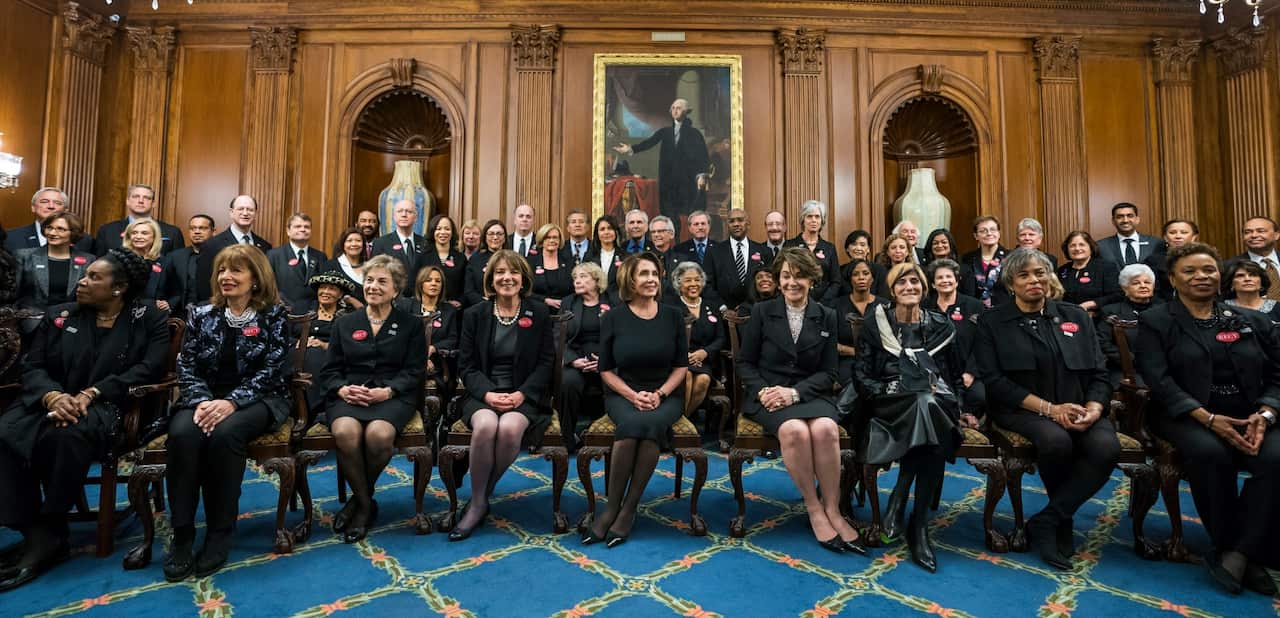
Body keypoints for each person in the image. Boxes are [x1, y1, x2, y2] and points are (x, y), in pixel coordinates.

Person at [0, 249, 167, 591]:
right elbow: (33, 366)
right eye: (84, 274)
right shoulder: (60, 315)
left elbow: (148, 368)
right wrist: (54, 396)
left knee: (65, 436)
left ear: (118, 288)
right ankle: (32, 528)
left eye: (94, 277)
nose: (82, 282)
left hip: (110, 405)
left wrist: (93, 394)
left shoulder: (147, 317)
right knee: (5, 433)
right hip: (49, 400)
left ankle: (51, 528)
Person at [1135, 242, 1280, 596]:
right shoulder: (1157, 320)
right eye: (1190, 271)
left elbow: (1278, 374)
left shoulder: (1253, 320)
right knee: (1212, 454)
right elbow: (1158, 379)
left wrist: (1266, 411)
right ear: (1172, 278)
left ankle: (1240, 551)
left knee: (1276, 458)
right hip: (1185, 413)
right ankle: (1235, 546)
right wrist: (1208, 417)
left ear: (1221, 275)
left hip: (1251, 413)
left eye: (1209, 270)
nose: (1201, 277)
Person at [973, 247, 1119, 571]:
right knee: (1056, 441)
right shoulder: (991, 321)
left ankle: (1050, 519)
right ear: (1011, 284)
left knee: (1107, 447)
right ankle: (1061, 526)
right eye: (1024, 275)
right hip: (1021, 409)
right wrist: (1051, 410)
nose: (1034, 280)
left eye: (1040, 273)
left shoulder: (1075, 316)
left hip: (1079, 406)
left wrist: (1094, 408)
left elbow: (1100, 372)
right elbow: (994, 381)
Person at [163, 244, 291, 581]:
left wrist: (232, 401)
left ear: (256, 278)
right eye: (222, 270)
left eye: (236, 270)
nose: (226, 277)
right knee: (182, 434)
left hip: (259, 399)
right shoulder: (202, 314)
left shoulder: (275, 315)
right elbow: (186, 364)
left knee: (225, 433)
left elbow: (273, 370)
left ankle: (220, 532)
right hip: (202, 399)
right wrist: (203, 400)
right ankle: (183, 533)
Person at [735, 247, 866, 554]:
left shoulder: (828, 316)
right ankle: (814, 508)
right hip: (767, 396)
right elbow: (745, 363)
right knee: (794, 431)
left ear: (812, 279)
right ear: (778, 281)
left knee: (825, 430)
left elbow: (830, 371)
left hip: (808, 393)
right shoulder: (762, 312)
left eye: (799, 276)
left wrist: (794, 393)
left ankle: (833, 508)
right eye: (786, 276)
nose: (792, 282)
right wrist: (764, 391)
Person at [854, 262, 973, 571]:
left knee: (928, 403)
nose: (909, 287)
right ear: (891, 291)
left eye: (915, 282)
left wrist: (960, 406)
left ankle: (902, 499)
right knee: (927, 406)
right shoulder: (875, 325)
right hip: (889, 401)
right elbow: (862, 375)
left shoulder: (941, 326)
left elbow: (956, 376)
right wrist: (884, 391)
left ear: (925, 288)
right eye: (902, 283)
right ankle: (918, 527)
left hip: (937, 400)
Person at [582, 252, 690, 547]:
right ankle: (611, 508)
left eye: (655, 274)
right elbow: (604, 369)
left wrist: (660, 394)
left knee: (650, 425)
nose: (651, 279)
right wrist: (631, 395)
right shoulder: (613, 316)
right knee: (632, 425)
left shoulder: (673, 315)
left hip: (665, 394)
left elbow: (682, 366)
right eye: (644, 274)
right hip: (622, 392)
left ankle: (628, 509)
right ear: (630, 279)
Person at [319, 255, 426, 543]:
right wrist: (342, 389)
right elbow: (329, 371)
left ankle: (358, 501)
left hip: (394, 395)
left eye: (382, 281)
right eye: (369, 280)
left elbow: (414, 371)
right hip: (349, 394)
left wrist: (388, 391)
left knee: (379, 436)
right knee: (345, 432)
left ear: (396, 290)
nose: (373, 286)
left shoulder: (411, 325)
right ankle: (366, 504)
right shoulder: (345, 323)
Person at [451, 250, 555, 541]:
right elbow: (466, 365)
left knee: (509, 429)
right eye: (499, 272)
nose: (506, 278)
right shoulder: (475, 314)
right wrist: (487, 394)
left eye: (513, 272)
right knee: (486, 426)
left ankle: (480, 496)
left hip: (525, 395)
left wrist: (522, 393)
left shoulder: (539, 313)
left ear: (523, 279)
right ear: (490, 279)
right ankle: (479, 500)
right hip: (484, 393)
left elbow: (546, 362)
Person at [612, 98, 710, 225]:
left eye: (679, 108)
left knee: (687, 215)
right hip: (668, 180)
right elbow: (649, 143)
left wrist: (702, 175)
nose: (675, 110)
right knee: (669, 215)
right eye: (673, 108)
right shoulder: (665, 132)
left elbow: (703, 156)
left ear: (686, 111)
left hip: (686, 180)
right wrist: (630, 149)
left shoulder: (695, 134)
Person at [559, 262, 610, 451]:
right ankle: (567, 437)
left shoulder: (613, 301)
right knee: (568, 383)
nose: (577, 281)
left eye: (583, 276)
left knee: (615, 382)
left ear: (596, 280)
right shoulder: (568, 302)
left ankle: (607, 436)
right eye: (575, 277)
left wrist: (605, 360)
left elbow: (622, 335)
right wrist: (573, 360)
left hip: (606, 360)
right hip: (577, 360)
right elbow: (558, 336)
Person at [924, 259, 985, 413]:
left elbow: (983, 342)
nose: (945, 281)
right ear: (933, 284)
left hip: (968, 371)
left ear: (957, 281)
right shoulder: (924, 307)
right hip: (936, 374)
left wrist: (971, 372)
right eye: (940, 278)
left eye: (949, 277)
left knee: (979, 397)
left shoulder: (975, 306)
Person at [394, 265, 460, 404]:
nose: (433, 284)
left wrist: (433, 348)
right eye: (429, 280)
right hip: (406, 360)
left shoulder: (449, 311)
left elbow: (453, 339)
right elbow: (399, 336)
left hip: (437, 362)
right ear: (420, 283)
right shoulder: (406, 306)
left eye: (438, 281)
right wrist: (421, 355)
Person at [670, 261, 725, 424]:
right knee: (685, 375)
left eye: (697, 279)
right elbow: (667, 337)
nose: (693, 284)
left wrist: (704, 352)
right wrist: (683, 355)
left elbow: (721, 338)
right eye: (688, 280)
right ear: (679, 284)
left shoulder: (711, 306)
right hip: (679, 360)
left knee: (703, 380)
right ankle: (680, 423)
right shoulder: (671, 308)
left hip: (704, 360)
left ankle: (680, 422)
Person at [194, 195, 272, 302]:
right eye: (241, 209)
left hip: (256, 308)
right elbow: (203, 283)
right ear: (231, 212)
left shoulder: (265, 246)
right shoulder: (212, 245)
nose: (245, 213)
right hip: (222, 308)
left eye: (250, 210)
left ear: (255, 214)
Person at [14, 213, 95, 316]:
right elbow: (13, 294)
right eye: (49, 228)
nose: (52, 233)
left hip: (71, 321)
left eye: (60, 229)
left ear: (73, 233)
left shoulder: (88, 260)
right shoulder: (24, 256)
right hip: (31, 321)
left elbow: (90, 296)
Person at [301, 271, 358, 421]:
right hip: (298, 355)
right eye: (322, 287)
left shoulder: (347, 315)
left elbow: (351, 345)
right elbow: (286, 333)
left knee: (317, 355)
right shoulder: (303, 308)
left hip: (331, 357)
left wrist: (325, 345)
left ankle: (319, 410)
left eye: (331, 289)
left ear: (340, 295)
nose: (325, 292)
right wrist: (299, 343)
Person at [1096, 263, 1161, 389]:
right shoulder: (1111, 311)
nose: (1143, 286)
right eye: (1136, 283)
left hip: (1161, 369)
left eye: (1147, 282)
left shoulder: (1164, 310)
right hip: (1125, 370)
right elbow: (1102, 342)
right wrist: (1129, 360)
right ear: (1125, 288)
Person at [834, 258, 887, 386]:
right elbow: (831, 343)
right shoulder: (837, 306)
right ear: (849, 279)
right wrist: (854, 352)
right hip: (846, 363)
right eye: (855, 274)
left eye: (865, 273)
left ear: (873, 278)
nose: (861, 278)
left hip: (879, 362)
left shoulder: (885, 306)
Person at [91, 183, 184, 257]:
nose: (140, 201)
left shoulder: (172, 233)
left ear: (153, 204)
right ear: (127, 201)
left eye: (147, 198)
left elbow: (178, 266)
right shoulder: (107, 230)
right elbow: (99, 264)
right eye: (136, 197)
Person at [705, 208, 769, 311]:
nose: (736, 224)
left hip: (756, 312)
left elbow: (769, 284)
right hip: (725, 315)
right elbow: (707, 285)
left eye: (740, 220)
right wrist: (722, 307)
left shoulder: (763, 251)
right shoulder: (714, 252)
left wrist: (751, 305)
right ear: (727, 225)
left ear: (748, 223)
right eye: (731, 221)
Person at [267, 213, 327, 314]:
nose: (303, 229)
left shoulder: (320, 257)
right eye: (298, 226)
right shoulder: (273, 255)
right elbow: (269, 285)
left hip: (313, 314)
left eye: (306, 227)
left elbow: (323, 287)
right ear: (288, 231)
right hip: (283, 314)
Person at [783, 200, 841, 303]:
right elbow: (784, 276)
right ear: (803, 220)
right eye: (809, 216)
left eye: (817, 216)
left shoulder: (829, 248)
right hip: (795, 301)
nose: (813, 220)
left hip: (824, 305)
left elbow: (836, 281)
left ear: (822, 221)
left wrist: (823, 303)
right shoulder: (790, 245)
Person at [160, 215, 216, 315]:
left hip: (213, 312)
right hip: (180, 314)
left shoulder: (221, 255)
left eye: (202, 228)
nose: (197, 231)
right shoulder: (174, 257)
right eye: (192, 228)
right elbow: (164, 285)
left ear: (213, 231)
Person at [5, 188, 90, 253]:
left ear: (65, 210)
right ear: (33, 208)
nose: (51, 206)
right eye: (44, 201)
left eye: (57, 203)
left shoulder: (85, 240)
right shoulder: (10, 237)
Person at [1058, 231, 1122, 316]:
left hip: (1097, 319)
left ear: (1091, 247)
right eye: (1072, 245)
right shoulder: (1062, 270)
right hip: (1067, 318)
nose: (1077, 248)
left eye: (1082, 244)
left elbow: (1117, 295)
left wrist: (1092, 303)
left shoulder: (1106, 267)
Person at [370, 199, 427, 289]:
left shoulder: (425, 243)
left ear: (416, 217)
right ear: (394, 216)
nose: (404, 215)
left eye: (409, 211)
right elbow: (374, 273)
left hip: (419, 298)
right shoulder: (381, 243)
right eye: (400, 211)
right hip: (392, 298)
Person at [960, 216, 1009, 308]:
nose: (989, 233)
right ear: (976, 236)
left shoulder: (1011, 257)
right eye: (983, 231)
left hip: (1004, 310)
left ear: (999, 233)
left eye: (993, 230)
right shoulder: (967, 258)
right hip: (974, 312)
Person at [122, 218, 169, 312]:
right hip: (122, 311)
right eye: (134, 233)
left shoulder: (165, 262)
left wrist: (167, 303)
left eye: (144, 233)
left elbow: (175, 292)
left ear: (154, 237)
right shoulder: (119, 259)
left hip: (152, 314)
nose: (138, 236)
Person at [420, 214, 466, 308]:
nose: (443, 232)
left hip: (453, 310)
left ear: (452, 232)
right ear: (433, 231)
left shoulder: (460, 258)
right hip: (427, 308)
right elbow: (414, 284)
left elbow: (465, 286)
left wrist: (460, 301)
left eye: (447, 229)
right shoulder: (422, 256)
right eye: (438, 228)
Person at [1146, 218, 1198, 301]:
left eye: (1184, 232)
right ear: (1165, 237)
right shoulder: (1153, 261)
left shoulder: (1204, 258)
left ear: (1193, 237)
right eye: (1172, 233)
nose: (1178, 236)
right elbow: (1153, 292)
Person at [1097, 202, 1162, 267]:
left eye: (1130, 216)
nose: (1125, 220)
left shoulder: (1155, 243)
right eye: (1120, 217)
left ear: (1137, 219)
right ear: (1113, 221)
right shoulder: (1101, 246)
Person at [462, 220, 507, 307]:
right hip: (480, 308)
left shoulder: (513, 259)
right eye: (490, 234)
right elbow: (469, 291)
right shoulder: (475, 259)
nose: (495, 237)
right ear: (485, 237)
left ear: (505, 237)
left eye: (499, 234)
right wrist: (487, 304)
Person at [320, 227, 368, 309]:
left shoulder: (370, 267)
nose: (354, 244)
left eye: (358, 241)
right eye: (349, 241)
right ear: (343, 244)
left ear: (363, 245)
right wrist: (349, 299)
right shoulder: (329, 266)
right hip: (338, 315)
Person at [1222, 258, 1280, 323]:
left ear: (1261, 282)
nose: (1247, 279)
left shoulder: (1277, 307)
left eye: (1253, 275)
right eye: (1240, 275)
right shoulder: (1222, 308)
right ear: (1231, 283)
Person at [530, 223, 573, 310]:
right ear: (541, 240)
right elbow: (525, 290)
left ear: (560, 240)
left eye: (555, 237)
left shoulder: (569, 262)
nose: (552, 240)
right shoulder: (531, 262)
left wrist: (565, 303)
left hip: (564, 312)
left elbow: (574, 289)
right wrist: (545, 300)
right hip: (537, 310)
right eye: (548, 237)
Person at [922, 229, 977, 297]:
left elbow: (970, 297)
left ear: (951, 245)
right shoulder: (922, 271)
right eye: (935, 243)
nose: (939, 245)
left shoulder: (964, 270)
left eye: (944, 242)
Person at [1237, 216, 1280, 301]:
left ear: (1276, 235)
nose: (1254, 235)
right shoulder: (1231, 266)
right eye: (1247, 232)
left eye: (1261, 231)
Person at [841, 230, 888, 298]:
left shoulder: (879, 270)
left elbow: (884, 296)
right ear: (847, 249)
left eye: (862, 245)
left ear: (868, 249)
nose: (858, 248)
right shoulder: (840, 271)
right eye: (854, 244)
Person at [585, 215, 624, 292]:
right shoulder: (589, 255)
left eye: (610, 228)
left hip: (618, 300)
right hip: (594, 299)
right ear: (597, 234)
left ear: (616, 232)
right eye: (602, 229)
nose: (606, 232)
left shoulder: (625, 256)